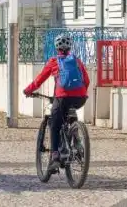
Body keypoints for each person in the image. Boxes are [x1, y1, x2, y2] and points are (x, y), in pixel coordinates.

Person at [23, 34, 90, 171]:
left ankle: (54, 156)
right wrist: (79, 93)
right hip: (80, 98)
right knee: (70, 113)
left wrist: (28, 90)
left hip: (62, 98)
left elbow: (39, 80)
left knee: (54, 123)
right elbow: (87, 80)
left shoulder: (54, 61)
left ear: (56, 47)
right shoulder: (77, 61)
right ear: (70, 46)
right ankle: (77, 141)